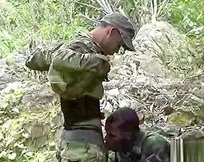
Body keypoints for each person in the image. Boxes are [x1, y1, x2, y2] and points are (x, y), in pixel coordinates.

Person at [25, 12, 136, 162]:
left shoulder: (75, 46)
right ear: (112, 31)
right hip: (83, 147)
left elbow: (34, 60)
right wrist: (95, 62)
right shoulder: (84, 47)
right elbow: (55, 59)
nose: (118, 50)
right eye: (120, 44)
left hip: (74, 140)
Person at [105, 107, 170, 162]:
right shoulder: (124, 146)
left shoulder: (155, 145)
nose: (106, 138)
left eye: (112, 135)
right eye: (107, 133)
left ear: (128, 135)